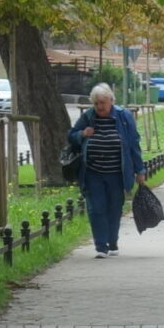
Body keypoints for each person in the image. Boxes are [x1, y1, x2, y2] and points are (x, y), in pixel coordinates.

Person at [68, 84, 148, 258]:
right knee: (96, 208)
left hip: (117, 173)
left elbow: (133, 144)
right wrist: (82, 134)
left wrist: (140, 170)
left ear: (111, 101)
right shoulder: (88, 116)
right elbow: (71, 136)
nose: (99, 107)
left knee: (114, 208)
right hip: (92, 172)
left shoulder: (124, 116)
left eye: (102, 103)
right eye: (96, 103)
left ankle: (112, 242)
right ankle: (101, 246)